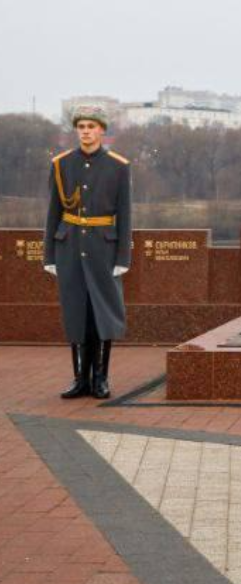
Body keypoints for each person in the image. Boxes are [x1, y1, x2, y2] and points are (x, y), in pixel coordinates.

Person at [42, 104, 132, 399]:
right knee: (76, 312)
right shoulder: (61, 164)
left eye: (91, 127)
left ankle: (101, 379)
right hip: (69, 247)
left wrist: (122, 258)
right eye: (81, 127)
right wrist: (49, 255)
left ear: (102, 131)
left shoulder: (119, 166)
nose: (86, 132)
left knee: (102, 314)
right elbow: (54, 211)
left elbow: (125, 214)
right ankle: (80, 379)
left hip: (103, 249)